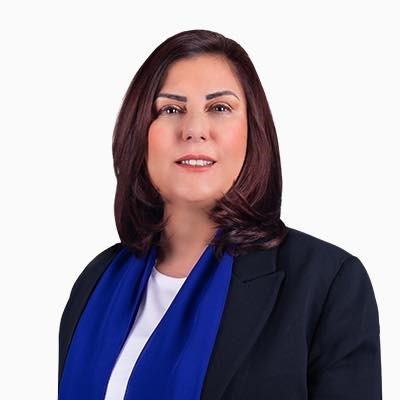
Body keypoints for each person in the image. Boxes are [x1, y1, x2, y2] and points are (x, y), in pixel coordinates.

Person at [58, 29, 382, 399]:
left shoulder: (327, 283)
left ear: (253, 131)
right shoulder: (96, 281)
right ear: (139, 132)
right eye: (171, 109)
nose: (194, 130)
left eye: (220, 108)